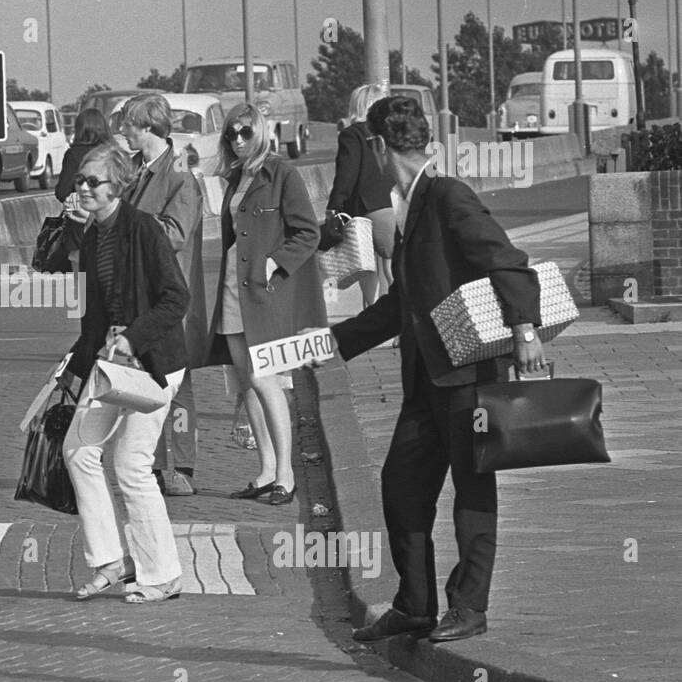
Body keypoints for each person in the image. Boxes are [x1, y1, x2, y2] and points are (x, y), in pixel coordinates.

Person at [330, 95, 544, 644]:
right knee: (402, 486)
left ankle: (469, 608)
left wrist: (524, 331)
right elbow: (404, 301)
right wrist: (330, 343)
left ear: (379, 146)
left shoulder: (448, 195)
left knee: (473, 493)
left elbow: (509, 263)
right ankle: (416, 605)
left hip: (469, 377)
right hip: (427, 379)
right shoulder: (414, 203)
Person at [61, 143, 189, 604]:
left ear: (117, 185)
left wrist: (134, 338)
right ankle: (110, 561)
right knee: (77, 449)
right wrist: (75, 369)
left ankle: (163, 575)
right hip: (110, 366)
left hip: (152, 366)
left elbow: (177, 298)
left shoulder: (143, 229)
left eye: (92, 181)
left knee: (131, 465)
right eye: (79, 180)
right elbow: (95, 314)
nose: (83, 188)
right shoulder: (92, 235)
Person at [207, 103, 326, 506]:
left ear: (260, 132)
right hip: (232, 289)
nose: (238, 140)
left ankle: (287, 475)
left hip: (265, 294)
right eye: (231, 134)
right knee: (246, 383)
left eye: (245, 132)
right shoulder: (233, 177)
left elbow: (308, 232)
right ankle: (265, 469)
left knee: (265, 379)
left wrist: (275, 262)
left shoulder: (282, 174)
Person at [115, 93, 207, 497]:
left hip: (169, 292)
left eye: (129, 126)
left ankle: (182, 466)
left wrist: (127, 222)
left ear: (149, 127)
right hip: (139, 293)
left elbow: (175, 233)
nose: (123, 133)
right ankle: (151, 465)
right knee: (143, 376)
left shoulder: (179, 172)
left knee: (175, 380)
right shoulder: (136, 169)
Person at [324, 84, 395, 308]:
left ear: (357, 105)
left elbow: (347, 175)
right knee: (390, 263)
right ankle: (396, 321)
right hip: (398, 203)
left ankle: (377, 316)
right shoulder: (392, 132)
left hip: (369, 207)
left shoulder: (352, 134)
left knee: (366, 264)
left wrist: (334, 207)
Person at [55, 108, 115, 204]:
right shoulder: (114, 152)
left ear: (79, 129)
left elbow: (62, 192)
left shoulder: (73, 155)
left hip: (84, 211)